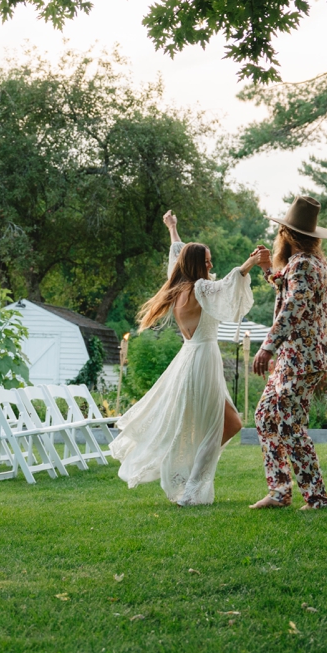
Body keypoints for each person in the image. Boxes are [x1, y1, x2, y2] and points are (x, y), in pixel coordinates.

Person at [109, 210, 266, 505]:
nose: (211, 264)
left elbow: (177, 257)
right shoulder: (199, 288)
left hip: (191, 360)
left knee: (225, 423)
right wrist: (251, 263)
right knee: (226, 424)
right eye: (206, 261)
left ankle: (190, 473)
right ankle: (192, 486)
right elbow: (228, 283)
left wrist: (172, 228)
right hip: (202, 360)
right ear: (195, 266)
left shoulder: (179, 287)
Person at [250, 195, 327, 511]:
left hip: (301, 360)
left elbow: (292, 308)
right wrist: (266, 268)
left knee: (289, 426)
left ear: (287, 234)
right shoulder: (313, 264)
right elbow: (285, 283)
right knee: (265, 416)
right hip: (298, 358)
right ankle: (279, 491)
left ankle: (317, 498)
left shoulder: (301, 265)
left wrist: (266, 348)